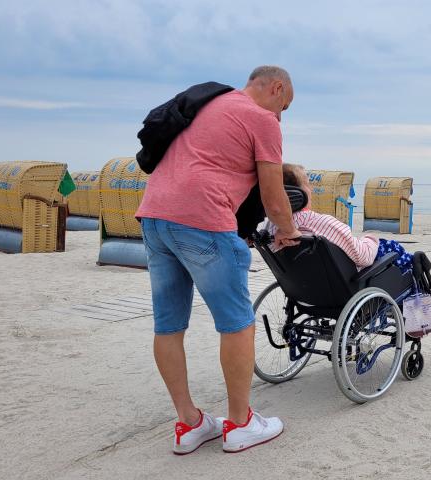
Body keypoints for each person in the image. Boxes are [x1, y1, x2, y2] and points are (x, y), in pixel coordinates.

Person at [135, 66, 301, 455]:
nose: (280, 117)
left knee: (168, 325)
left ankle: (189, 423)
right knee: (238, 324)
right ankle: (240, 424)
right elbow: (274, 198)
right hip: (204, 221)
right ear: (276, 88)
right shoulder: (262, 120)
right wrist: (289, 231)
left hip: (154, 216)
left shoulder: (209, 103)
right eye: (284, 107)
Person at [268, 163, 415, 274]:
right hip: (346, 282)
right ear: (297, 192)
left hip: (303, 285)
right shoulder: (320, 223)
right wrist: (371, 240)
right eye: (307, 184)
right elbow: (362, 257)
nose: (311, 189)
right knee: (395, 250)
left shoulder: (272, 228)